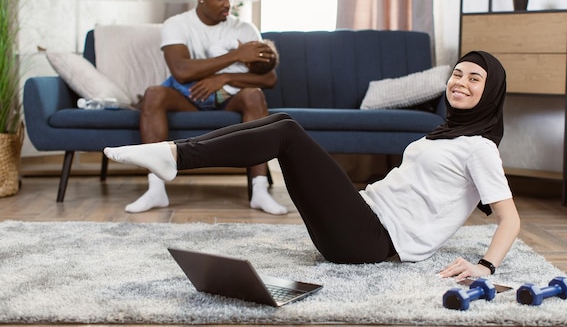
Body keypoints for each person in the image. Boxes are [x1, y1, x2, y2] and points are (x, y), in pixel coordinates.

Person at [105, 51, 521, 277]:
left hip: (372, 241)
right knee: (284, 123)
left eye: (474, 79)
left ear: (490, 94)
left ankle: (175, 156)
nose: (460, 83)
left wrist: (485, 267)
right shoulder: (443, 133)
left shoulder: (479, 147)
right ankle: (174, 155)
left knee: (288, 132)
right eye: (458, 73)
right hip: (360, 219)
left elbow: (510, 220)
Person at [126, 0, 287, 216]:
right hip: (188, 96)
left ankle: (259, 191)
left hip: (228, 99)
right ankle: (156, 189)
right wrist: (235, 55)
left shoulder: (245, 29)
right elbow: (180, 70)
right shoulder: (177, 24)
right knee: (154, 94)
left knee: (254, 95)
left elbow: (269, 79)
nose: (228, 3)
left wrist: (221, 78)